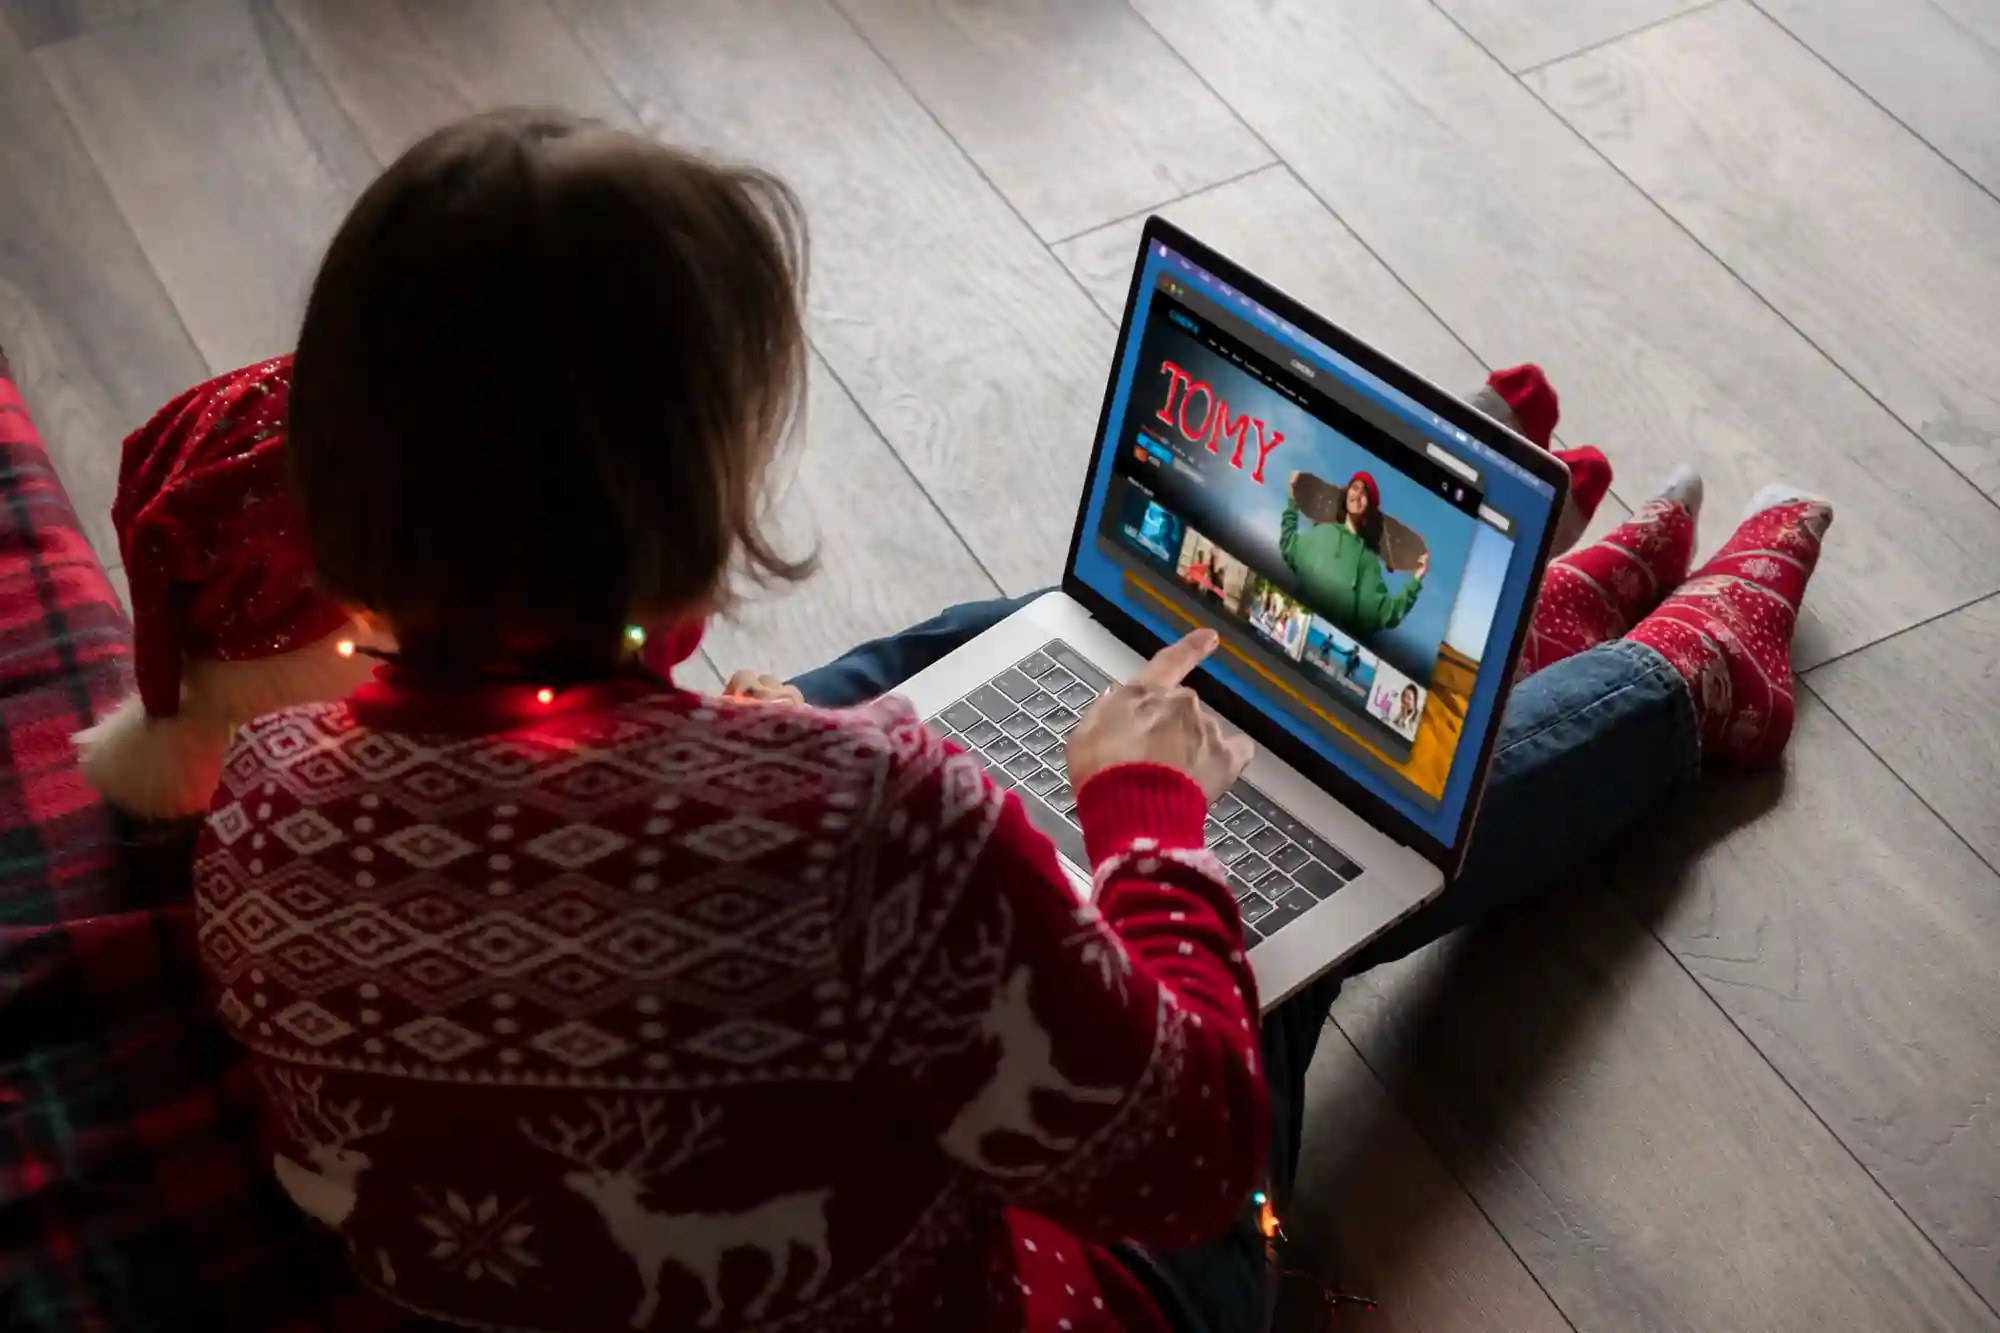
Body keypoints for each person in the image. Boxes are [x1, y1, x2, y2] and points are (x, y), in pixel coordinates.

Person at [183, 109, 1834, 1333]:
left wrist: (733, 747)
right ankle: (1663, 685)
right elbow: (1195, 1154)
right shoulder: (870, 821)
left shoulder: (260, 793)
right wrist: (1151, 831)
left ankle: (1429, 613)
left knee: (1028, 646)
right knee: (1294, 846)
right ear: (696, 523)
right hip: (1090, 1284)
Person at [1279, 471, 1430, 638]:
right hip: (1296, 620)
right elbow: (1289, 546)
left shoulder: (1367, 561)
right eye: (1355, 488)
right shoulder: (1323, 532)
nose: (1358, 495)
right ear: (1347, 493)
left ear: (1369, 507)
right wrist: (1293, 501)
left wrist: (1416, 580)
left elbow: (1388, 614)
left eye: (1364, 494)